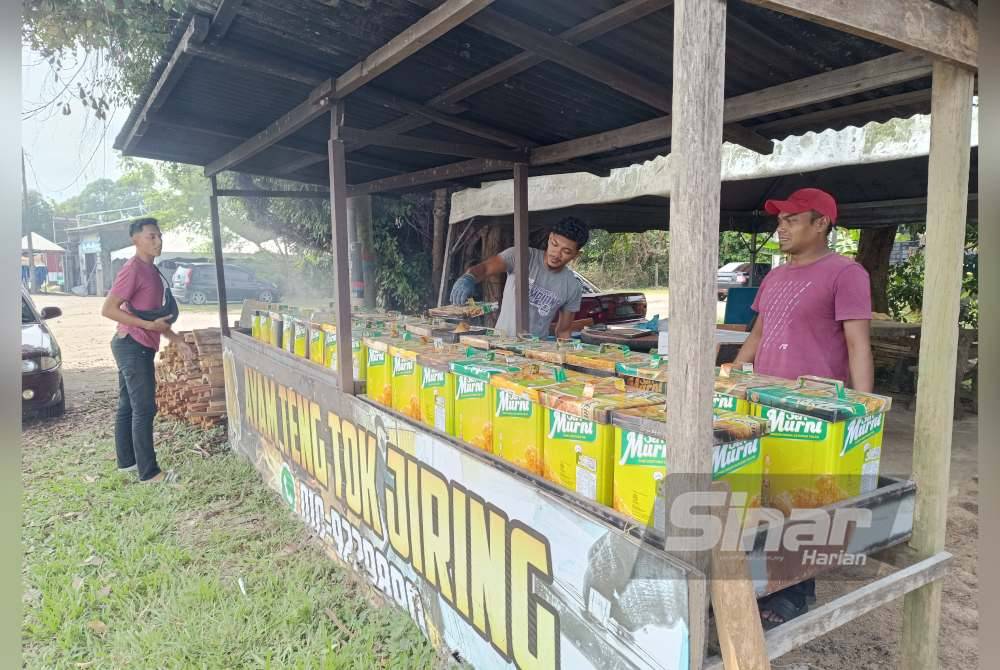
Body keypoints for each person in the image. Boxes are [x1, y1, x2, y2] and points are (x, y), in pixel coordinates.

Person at [730, 187, 874, 628]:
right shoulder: (774, 277)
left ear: (821, 224)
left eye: (792, 219)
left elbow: (858, 344)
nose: (782, 227)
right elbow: (757, 335)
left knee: (802, 501)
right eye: (780, 219)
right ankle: (759, 580)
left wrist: (864, 411)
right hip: (761, 404)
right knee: (763, 494)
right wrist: (733, 377)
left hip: (813, 410)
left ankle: (795, 592)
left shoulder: (846, 273)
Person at [101, 218, 194, 483]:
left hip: (134, 343)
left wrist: (175, 339)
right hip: (133, 344)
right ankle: (150, 473)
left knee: (128, 405)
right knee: (144, 408)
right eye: (151, 236)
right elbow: (108, 309)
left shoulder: (152, 271)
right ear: (135, 240)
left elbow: (155, 317)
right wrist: (147, 326)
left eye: (159, 236)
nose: (158, 241)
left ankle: (127, 463)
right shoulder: (133, 269)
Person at [449, 217, 589, 339]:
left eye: (566, 251)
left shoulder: (572, 286)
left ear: (576, 255)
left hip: (536, 352)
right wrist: (469, 277)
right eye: (554, 244)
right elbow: (485, 268)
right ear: (550, 237)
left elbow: (563, 331)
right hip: (500, 344)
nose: (556, 254)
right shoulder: (521, 256)